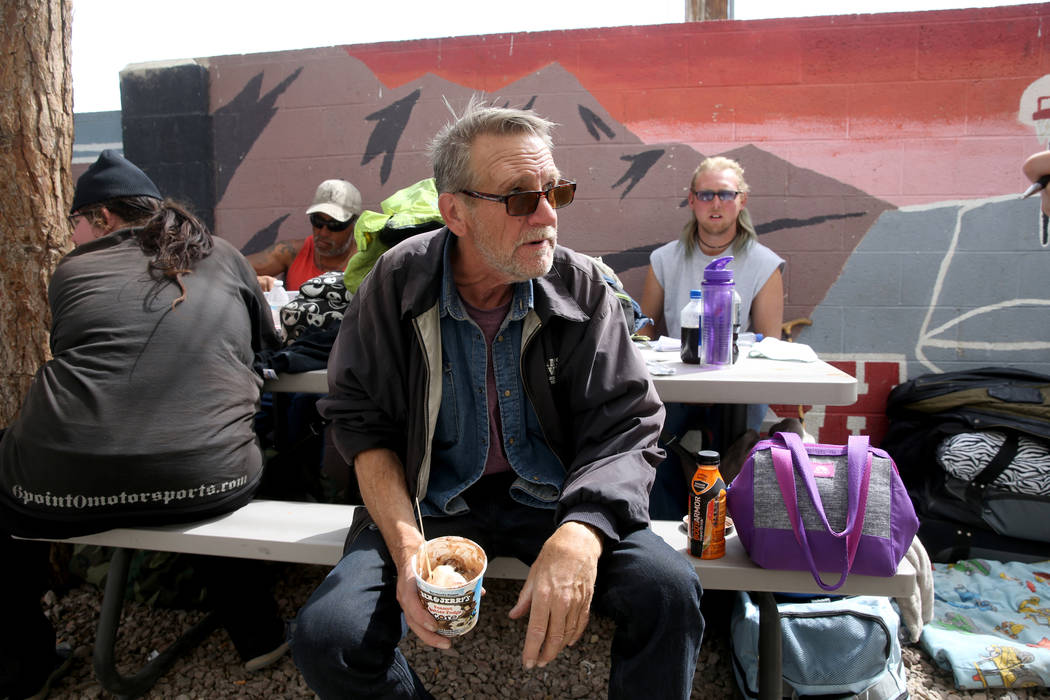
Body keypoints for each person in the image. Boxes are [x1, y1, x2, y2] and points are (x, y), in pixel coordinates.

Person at [291, 100, 704, 699]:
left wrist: (581, 532)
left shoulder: (581, 284)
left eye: (553, 192)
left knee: (668, 592)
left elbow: (628, 423)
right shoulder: (397, 281)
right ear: (453, 212)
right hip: (428, 502)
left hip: (557, 497)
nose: (545, 215)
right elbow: (362, 425)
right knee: (329, 638)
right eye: (517, 197)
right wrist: (409, 552)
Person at [0, 150, 288, 699]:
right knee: (205, 437)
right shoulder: (222, 254)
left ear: (102, 219)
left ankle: (21, 669)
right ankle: (259, 636)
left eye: (75, 223)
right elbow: (269, 341)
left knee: (15, 483)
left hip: (57, 489)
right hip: (213, 481)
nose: (74, 236)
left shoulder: (72, 271)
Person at [639, 156, 785, 519]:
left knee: (735, 446)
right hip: (679, 379)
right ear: (691, 201)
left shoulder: (764, 264)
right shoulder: (664, 259)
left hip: (738, 384)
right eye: (706, 195)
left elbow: (771, 342)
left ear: (741, 200)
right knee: (649, 436)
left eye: (725, 194)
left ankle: (723, 523)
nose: (715, 203)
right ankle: (671, 525)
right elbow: (644, 329)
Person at [250, 178, 362, 291]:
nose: (323, 232)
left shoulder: (368, 261)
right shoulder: (291, 252)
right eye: (317, 221)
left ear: (355, 224)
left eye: (335, 224)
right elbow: (233, 268)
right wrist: (256, 280)